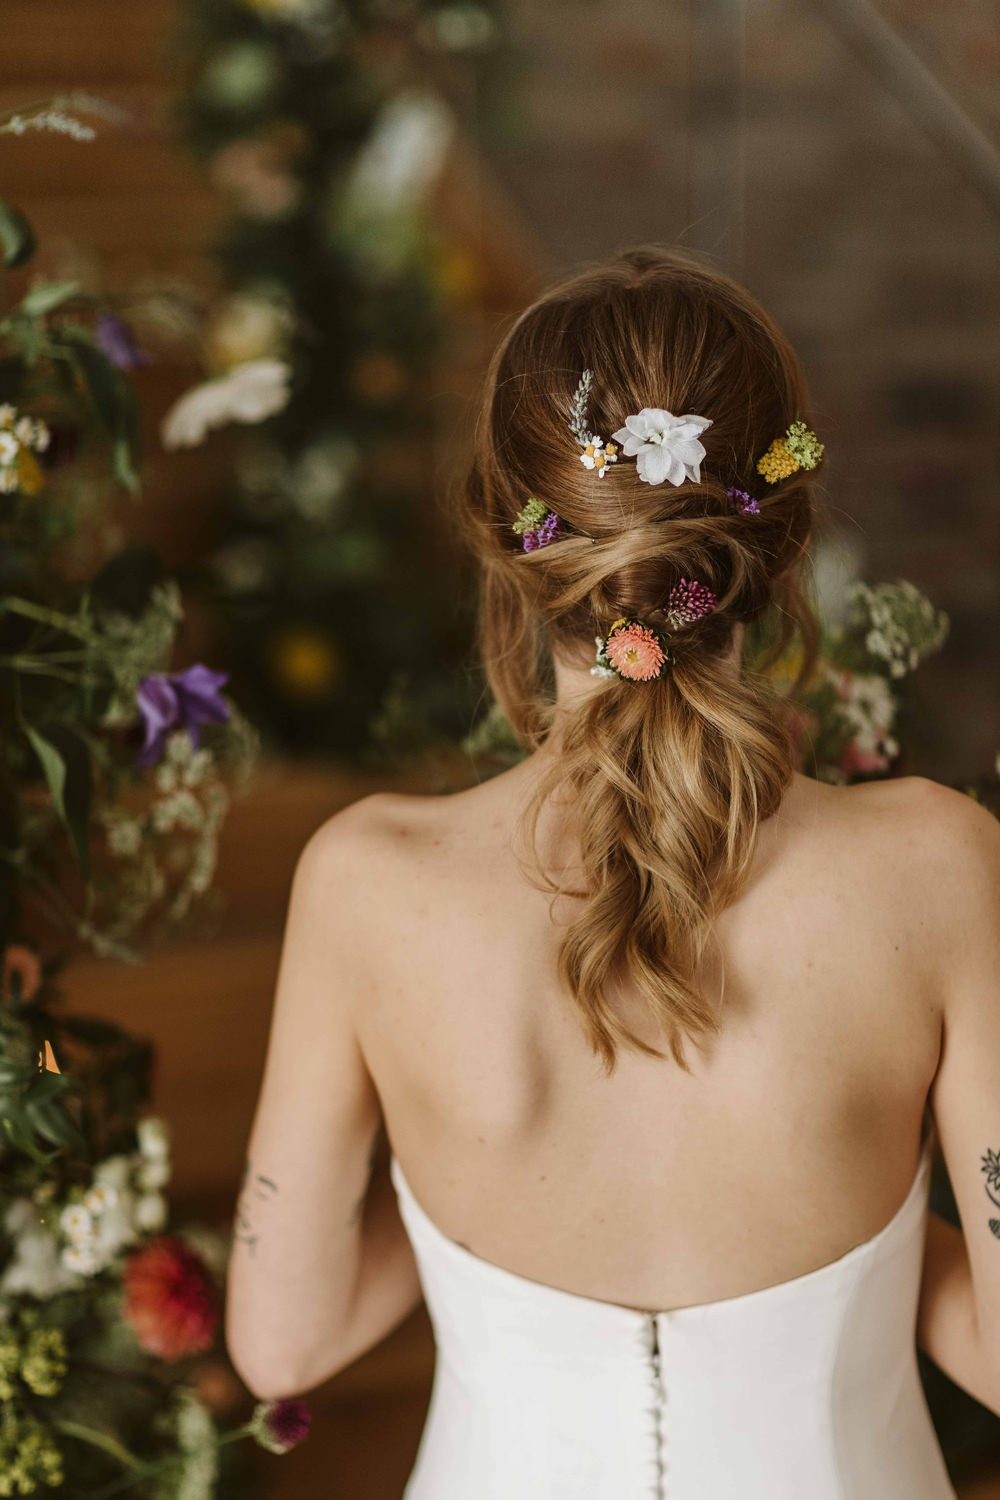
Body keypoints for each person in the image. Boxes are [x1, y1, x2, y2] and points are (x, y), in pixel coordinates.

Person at [226, 248, 1000, 1498]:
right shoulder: (939, 869)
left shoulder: (369, 886)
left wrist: (460, 1209)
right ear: (782, 537)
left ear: (506, 540)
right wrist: (865, 1238)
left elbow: (283, 1340)